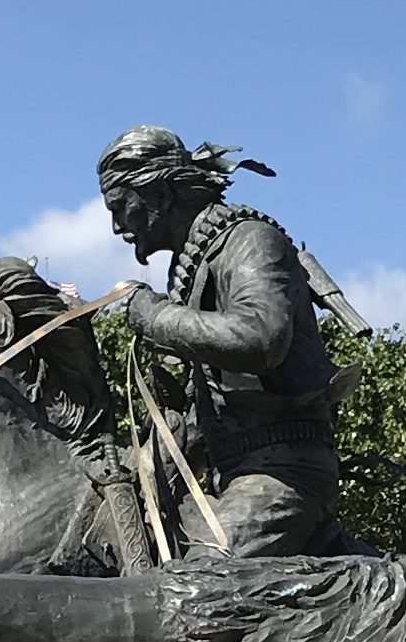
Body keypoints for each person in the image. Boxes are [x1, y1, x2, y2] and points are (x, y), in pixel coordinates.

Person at [93, 124, 350, 558]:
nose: (117, 225)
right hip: (220, 472)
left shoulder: (249, 240)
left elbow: (261, 336)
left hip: (283, 471)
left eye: (120, 206)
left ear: (159, 195)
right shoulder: (191, 262)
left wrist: (155, 317)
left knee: (196, 589)